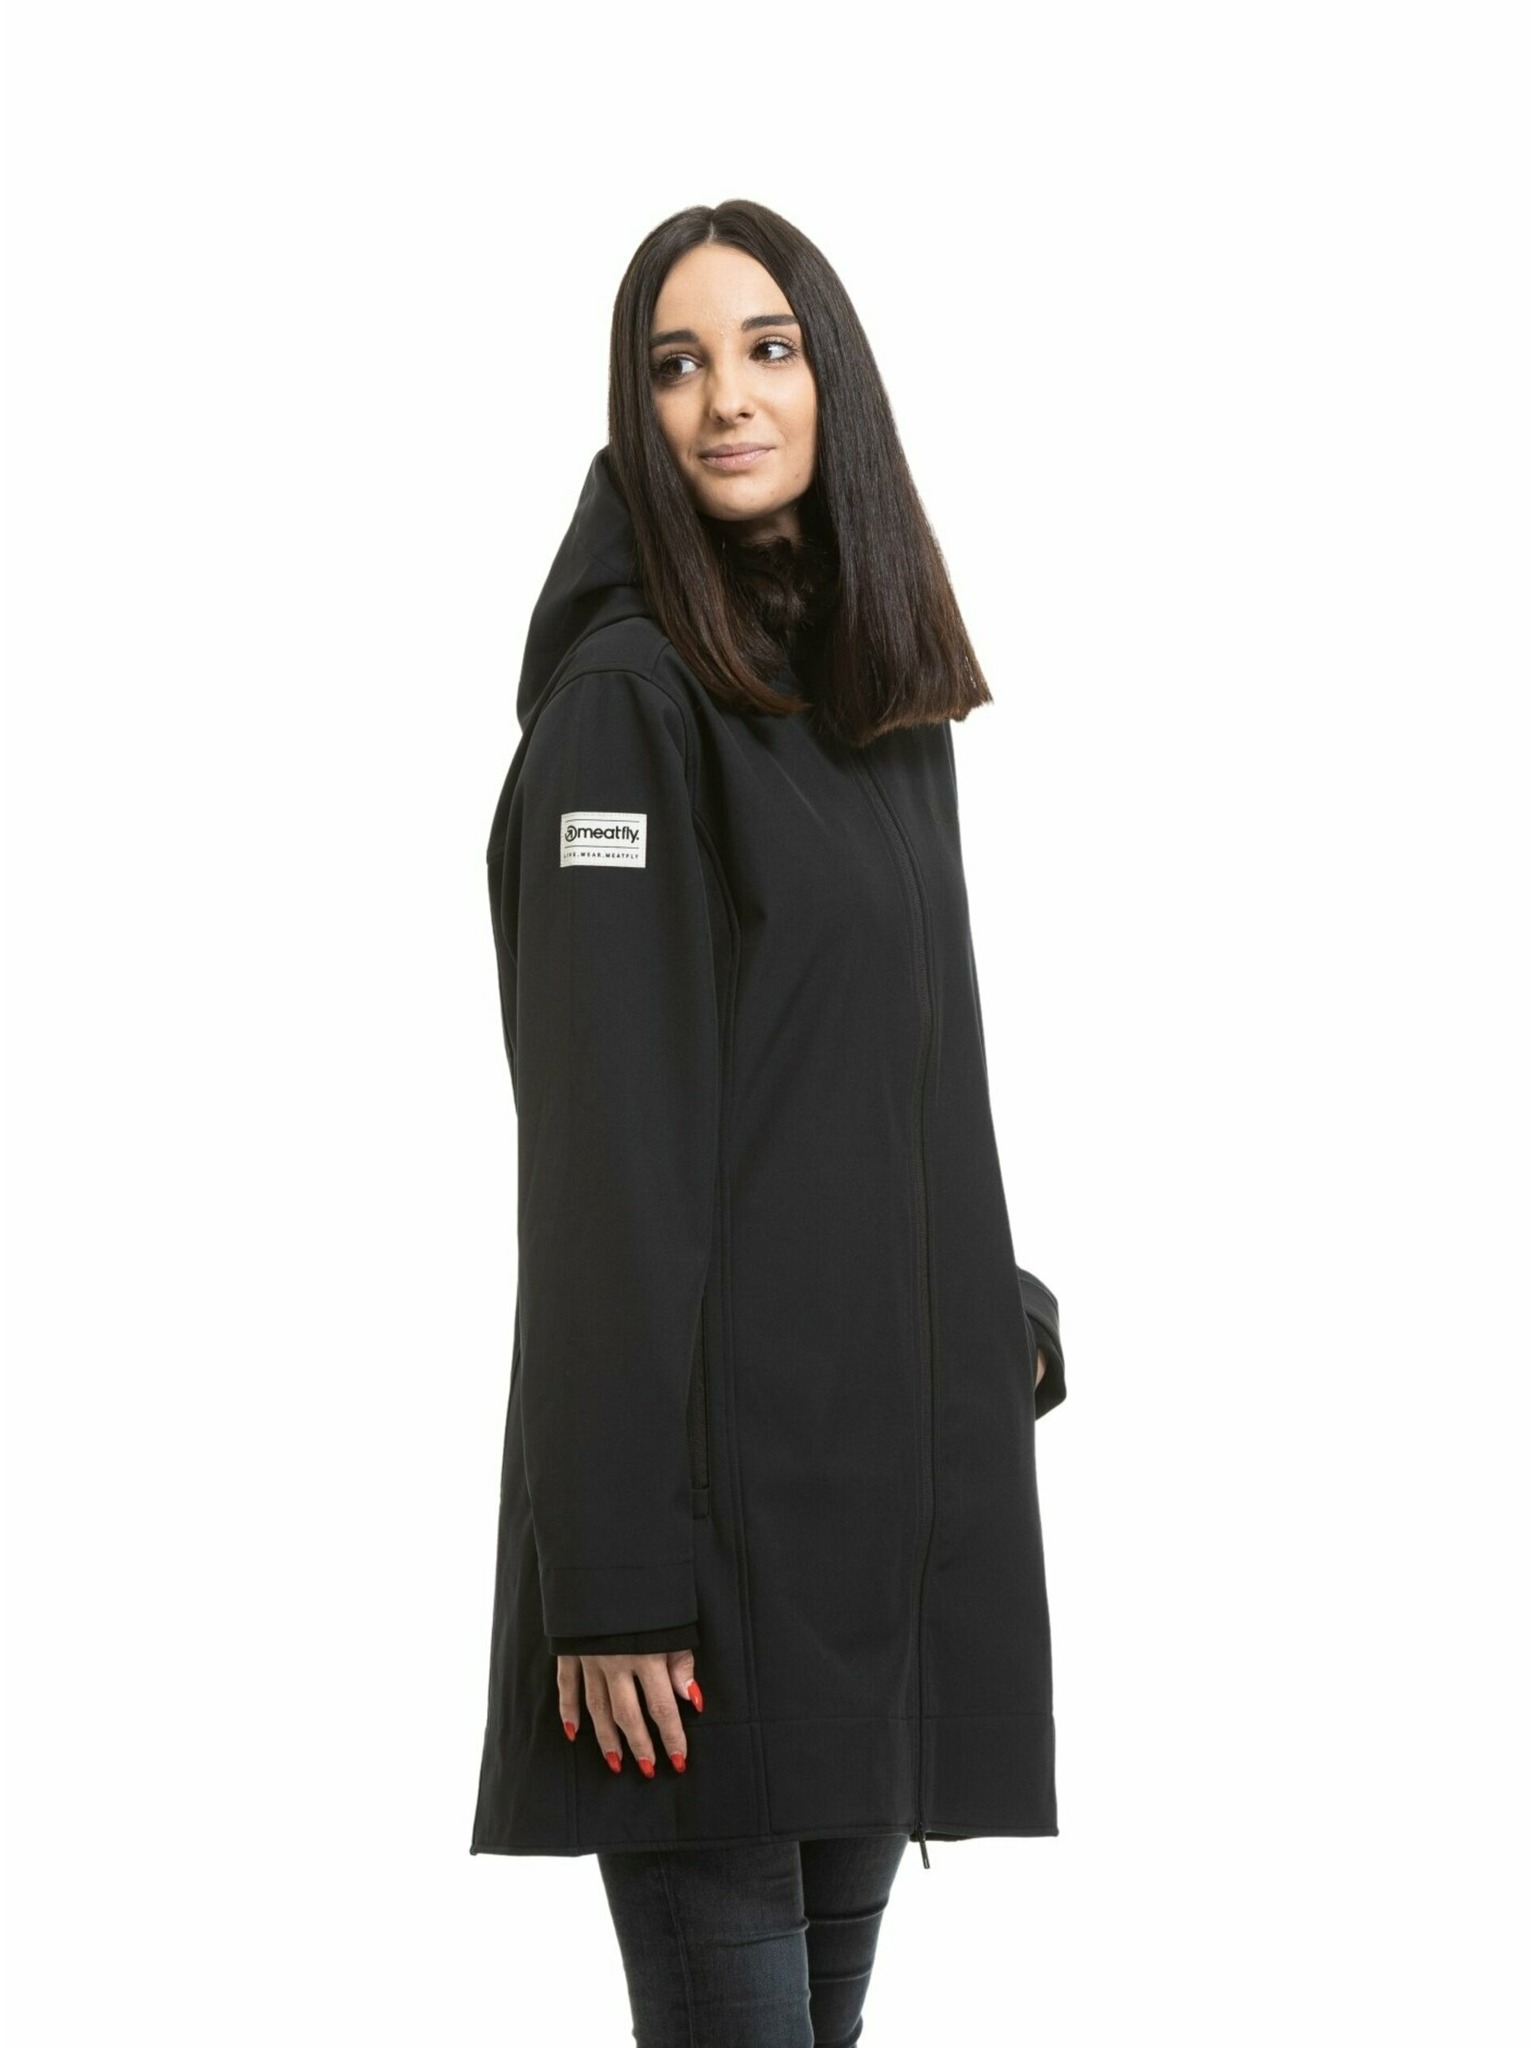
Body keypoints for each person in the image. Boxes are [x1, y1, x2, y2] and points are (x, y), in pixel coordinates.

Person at [469, 197, 1070, 2047]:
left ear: (833, 380)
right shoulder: (623, 715)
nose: (725, 397)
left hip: (862, 1526)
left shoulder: (876, 703)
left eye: (766, 348)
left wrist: (982, 1305)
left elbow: (894, 1073)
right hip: (698, 1573)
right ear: (635, 412)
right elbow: (605, 1171)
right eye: (675, 364)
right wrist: (612, 1587)